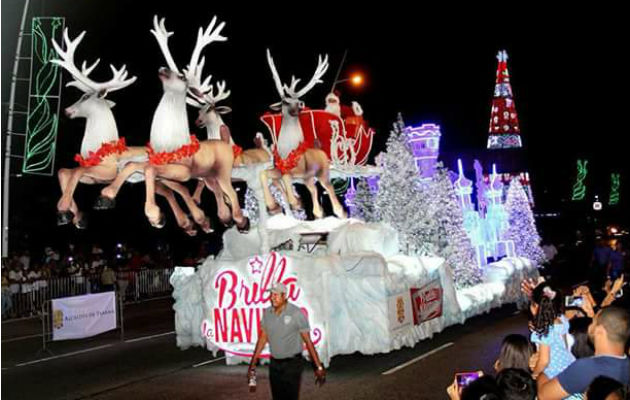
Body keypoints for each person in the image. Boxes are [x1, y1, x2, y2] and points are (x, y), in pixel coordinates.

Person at [248, 282, 326, 400]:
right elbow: (262, 339)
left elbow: (308, 342)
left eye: (276, 294)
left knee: (290, 397)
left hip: (292, 364)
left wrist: (318, 367)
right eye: (271, 294)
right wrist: (252, 365)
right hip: (274, 364)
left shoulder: (296, 313)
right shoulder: (267, 313)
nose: (272, 297)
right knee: (277, 397)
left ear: (284, 296)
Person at [537, 307, 630, 399]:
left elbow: (544, 395)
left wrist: (542, 368)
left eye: (593, 322)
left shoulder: (586, 368)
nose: (589, 326)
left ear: (599, 331)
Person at [529, 283, 576, 379]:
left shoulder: (543, 330)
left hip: (555, 373)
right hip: (569, 364)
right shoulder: (561, 319)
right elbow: (565, 347)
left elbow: (544, 361)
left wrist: (534, 375)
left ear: (536, 306)